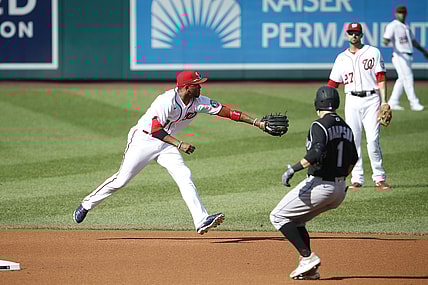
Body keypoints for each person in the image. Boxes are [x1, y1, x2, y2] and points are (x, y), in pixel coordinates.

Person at [73, 71, 269, 235]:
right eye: (197, 84)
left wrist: (257, 123)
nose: (200, 87)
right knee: (120, 180)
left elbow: (228, 112)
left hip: (167, 143)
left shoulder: (199, 100)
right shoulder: (166, 101)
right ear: (185, 87)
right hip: (144, 140)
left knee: (184, 175)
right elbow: (156, 130)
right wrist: (180, 144)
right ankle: (86, 204)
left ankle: (201, 220)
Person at [270, 86, 358, 280]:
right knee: (297, 220)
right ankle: (309, 268)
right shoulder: (346, 127)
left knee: (277, 217)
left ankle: (308, 257)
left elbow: (315, 153)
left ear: (317, 103)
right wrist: (341, 180)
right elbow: (354, 159)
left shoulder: (319, 125)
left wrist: (293, 168)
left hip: (320, 185)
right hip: (339, 190)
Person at [328, 22, 391, 191]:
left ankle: (379, 177)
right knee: (353, 140)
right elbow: (332, 84)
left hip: (372, 100)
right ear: (347, 35)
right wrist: (327, 106)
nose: (354, 36)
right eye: (351, 33)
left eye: (357, 33)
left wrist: (384, 101)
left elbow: (381, 77)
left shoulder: (373, 52)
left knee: (372, 140)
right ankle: (357, 178)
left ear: (361, 35)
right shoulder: (341, 58)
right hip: (352, 101)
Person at [383, 5, 428, 111]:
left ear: (406, 13)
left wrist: (423, 51)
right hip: (399, 55)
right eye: (399, 12)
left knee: (402, 79)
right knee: (408, 78)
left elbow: (413, 42)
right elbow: (386, 39)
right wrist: (387, 41)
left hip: (408, 55)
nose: (401, 14)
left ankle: (393, 102)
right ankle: (414, 103)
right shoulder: (393, 25)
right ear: (395, 13)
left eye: (403, 12)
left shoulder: (406, 26)